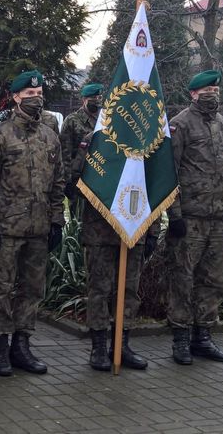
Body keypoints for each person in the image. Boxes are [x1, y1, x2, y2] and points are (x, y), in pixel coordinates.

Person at [0, 69, 65, 376]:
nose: (36, 100)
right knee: (1, 289)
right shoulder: (0, 135)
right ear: (16, 98)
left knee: (32, 289)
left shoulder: (50, 136)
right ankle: (0, 348)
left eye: (39, 95)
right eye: (29, 95)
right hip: (8, 229)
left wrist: (57, 222)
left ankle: (22, 346)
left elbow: (58, 183)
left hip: (39, 229)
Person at [165, 69, 223, 365]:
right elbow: (168, 172)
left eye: (216, 90)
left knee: (215, 280)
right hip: (191, 218)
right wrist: (174, 215)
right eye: (207, 91)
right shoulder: (179, 125)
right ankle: (181, 339)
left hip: (221, 218)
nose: (212, 94)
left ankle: (203, 336)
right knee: (183, 279)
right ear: (193, 94)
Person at [68, 132, 151, 371]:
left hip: (134, 227)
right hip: (100, 230)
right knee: (100, 290)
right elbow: (75, 179)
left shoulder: (147, 139)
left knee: (128, 291)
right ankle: (99, 347)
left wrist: (152, 230)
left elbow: (154, 186)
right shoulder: (96, 137)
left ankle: (122, 345)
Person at [59, 83, 103, 175]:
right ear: (84, 100)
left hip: (99, 173)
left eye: (99, 98)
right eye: (93, 98)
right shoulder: (72, 120)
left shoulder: (104, 119)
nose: (97, 101)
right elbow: (65, 153)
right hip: (78, 174)